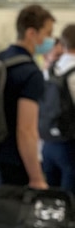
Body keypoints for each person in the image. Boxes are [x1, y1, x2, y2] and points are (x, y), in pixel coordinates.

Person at [0, 4, 54, 195]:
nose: (49, 39)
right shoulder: (30, 73)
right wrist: (36, 177)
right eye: (47, 33)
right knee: (8, 221)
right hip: (10, 164)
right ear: (32, 33)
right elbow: (26, 131)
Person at [41, 24, 75, 191]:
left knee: (52, 204)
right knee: (71, 205)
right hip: (71, 146)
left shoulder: (49, 70)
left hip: (48, 145)